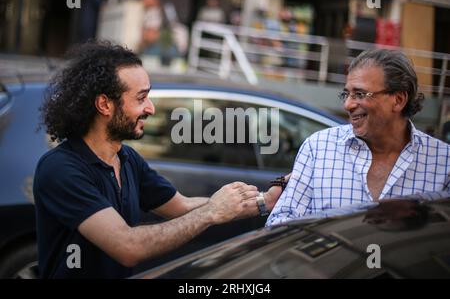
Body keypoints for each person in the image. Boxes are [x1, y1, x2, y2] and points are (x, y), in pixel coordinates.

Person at [34, 41, 283, 278]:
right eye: (141, 98)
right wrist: (211, 212)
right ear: (104, 104)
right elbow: (128, 247)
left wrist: (264, 201)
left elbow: (181, 206)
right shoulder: (61, 169)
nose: (151, 108)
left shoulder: (127, 159)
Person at [267, 48, 450, 226]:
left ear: (398, 100)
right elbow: (280, 224)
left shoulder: (443, 163)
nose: (348, 104)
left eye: (360, 94)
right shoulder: (319, 147)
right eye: (346, 94)